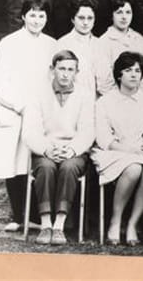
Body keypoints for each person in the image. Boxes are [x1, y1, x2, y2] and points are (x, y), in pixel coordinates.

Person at [0, 0, 56, 232]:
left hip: (40, 112)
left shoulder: (51, 45)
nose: (37, 20)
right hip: (14, 110)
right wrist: (20, 105)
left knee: (35, 163)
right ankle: (17, 215)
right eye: (32, 15)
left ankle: (36, 215)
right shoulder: (9, 43)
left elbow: (53, 80)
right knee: (14, 162)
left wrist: (42, 108)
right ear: (24, 16)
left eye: (41, 15)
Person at [22, 50, 95, 245]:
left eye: (70, 69)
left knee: (69, 167)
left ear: (76, 72)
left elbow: (88, 130)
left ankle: (59, 226)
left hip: (73, 150)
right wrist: (46, 149)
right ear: (52, 70)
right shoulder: (38, 94)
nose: (65, 74)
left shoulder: (85, 95)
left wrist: (72, 149)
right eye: (61, 68)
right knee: (46, 168)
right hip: (46, 149)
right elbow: (30, 130)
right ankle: (46, 224)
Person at [91, 51, 143, 245]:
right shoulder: (105, 102)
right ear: (119, 74)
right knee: (133, 168)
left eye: (137, 71)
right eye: (128, 70)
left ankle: (132, 224)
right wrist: (128, 149)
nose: (133, 75)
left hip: (141, 150)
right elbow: (103, 137)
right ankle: (116, 221)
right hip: (113, 150)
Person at [94, 0, 143, 96]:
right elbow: (104, 82)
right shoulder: (103, 42)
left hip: (138, 97)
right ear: (112, 15)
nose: (124, 17)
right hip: (113, 98)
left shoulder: (139, 39)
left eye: (128, 12)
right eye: (119, 12)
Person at [56, 0, 100, 97]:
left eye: (90, 18)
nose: (85, 22)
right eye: (81, 18)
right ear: (73, 19)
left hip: (96, 101)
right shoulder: (62, 44)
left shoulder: (100, 44)